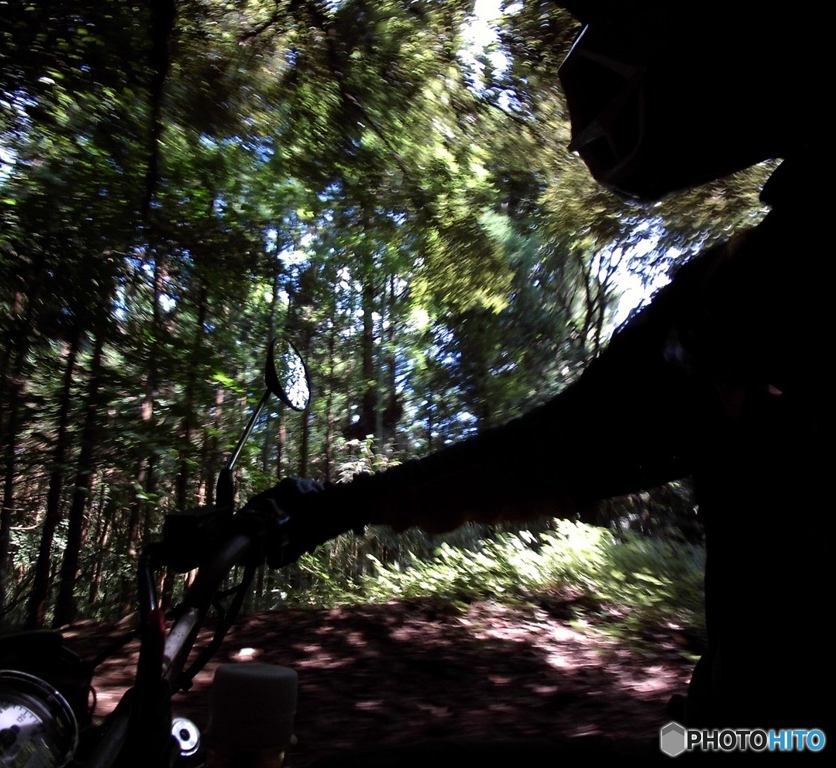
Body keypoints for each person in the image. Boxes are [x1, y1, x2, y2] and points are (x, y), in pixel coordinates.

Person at [249, 0, 832, 755]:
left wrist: (336, 505)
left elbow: (560, 449)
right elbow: (568, 447)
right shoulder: (751, 280)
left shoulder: (755, 287)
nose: (577, 133)